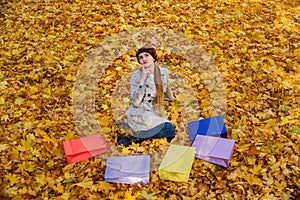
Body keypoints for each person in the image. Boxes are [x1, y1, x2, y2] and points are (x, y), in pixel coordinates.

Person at [117, 46, 176, 146]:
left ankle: (143, 135)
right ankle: (133, 139)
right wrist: (142, 80)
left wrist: (173, 98)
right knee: (169, 129)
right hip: (140, 113)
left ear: (153, 58)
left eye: (146, 56)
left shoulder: (163, 72)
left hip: (155, 111)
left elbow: (166, 88)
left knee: (170, 134)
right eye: (141, 57)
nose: (143, 59)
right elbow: (135, 102)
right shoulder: (137, 75)